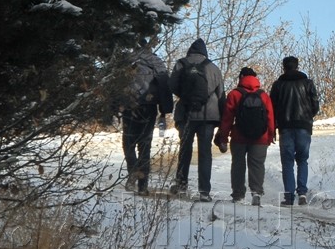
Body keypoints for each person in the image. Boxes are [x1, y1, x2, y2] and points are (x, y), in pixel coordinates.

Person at [168, 37, 225, 198]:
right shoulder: (213, 68)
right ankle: (204, 191)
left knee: (185, 150)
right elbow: (221, 95)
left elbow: (172, 86)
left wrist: (186, 97)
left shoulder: (181, 64)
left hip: (186, 114)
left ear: (190, 51)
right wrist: (223, 122)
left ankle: (181, 185)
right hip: (208, 116)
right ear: (204, 52)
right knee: (205, 152)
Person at [216, 67, 276, 205]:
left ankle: (238, 195)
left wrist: (223, 137)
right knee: (257, 165)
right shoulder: (263, 95)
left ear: (241, 77)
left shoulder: (234, 94)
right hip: (260, 138)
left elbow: (227, 119)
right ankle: (256, 194)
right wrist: (270, 136)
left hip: (239, 137)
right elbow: (270, 118)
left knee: (238, 164)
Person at [118, 44, 173, 194]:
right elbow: (164, 85)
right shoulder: (156, 61)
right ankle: (143, 186)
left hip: (130, 106)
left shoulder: (127, 60)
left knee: (128, 142)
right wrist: (165, 109)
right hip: (149, 107)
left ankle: (133, 171)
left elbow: (117, 84)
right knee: (145, 145)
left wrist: (115, 106)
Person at [269, 55, 321, 205]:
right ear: (297, 66)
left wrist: (274, 126)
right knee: (303, 160)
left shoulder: (278, 85)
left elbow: (271, 108)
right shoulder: (307, 83)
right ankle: (302, 194)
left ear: (284, 67)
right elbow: (315, 105)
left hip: (285, 127)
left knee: (287, 162)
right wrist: (308, 116)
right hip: (304, 126)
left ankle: (289, 196)